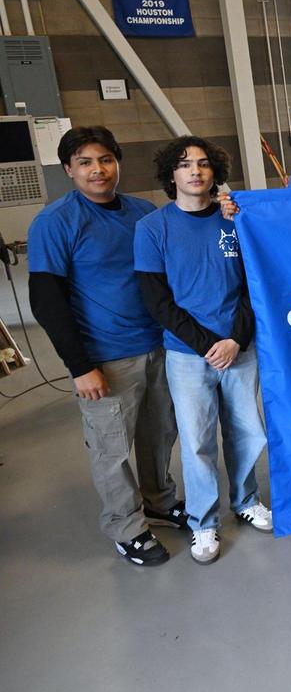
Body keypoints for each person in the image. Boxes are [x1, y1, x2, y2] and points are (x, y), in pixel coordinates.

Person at [28, 126, 184, 567]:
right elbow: (47, 302)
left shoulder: (143, 212)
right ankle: (127, 527)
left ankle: (159, 500)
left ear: (117, 163)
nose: (98, 170)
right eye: (84, 162)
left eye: (105, 160)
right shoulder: (55, 223)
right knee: (111, 448)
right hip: (106, 357)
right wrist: (80, 366)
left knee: (159, 435)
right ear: (68, 170)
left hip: (157, 345)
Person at [135, 136, 273, 564]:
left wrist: (235, 339)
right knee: (197, 441)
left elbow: (255, 285)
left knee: (247, 430)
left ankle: (246, 500)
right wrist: (208, 345)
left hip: (238, 348)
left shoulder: (236, 220)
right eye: (184, 164)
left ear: (215, 171)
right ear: (170, 175)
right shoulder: (152, 228)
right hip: (187, 354)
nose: (195, 171)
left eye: (203, 163)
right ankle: (204, 522)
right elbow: (156, 298)